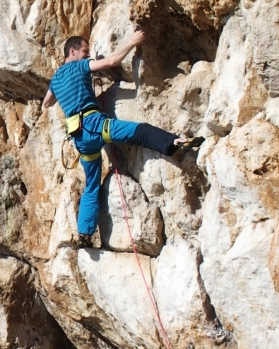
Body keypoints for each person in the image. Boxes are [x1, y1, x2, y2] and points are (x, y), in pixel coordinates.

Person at [41, 30, 203, 249]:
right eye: (85, 51)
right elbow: (112, 61)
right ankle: (174, 142)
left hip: (79, 138)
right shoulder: (79, 66)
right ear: (73, 51)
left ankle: (84, 235)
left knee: (91, 185)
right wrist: (133, 41)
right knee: (139, 131)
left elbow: (46, 104)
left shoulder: (56, 79)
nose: (88, 55)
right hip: (95, 125)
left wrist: (69, 93)